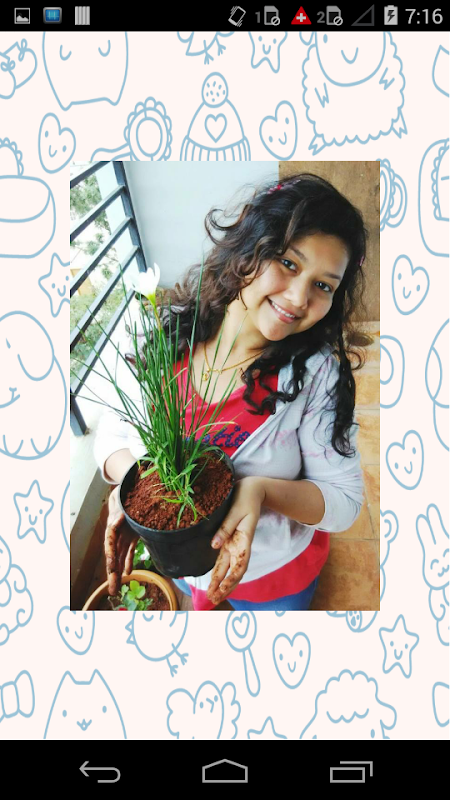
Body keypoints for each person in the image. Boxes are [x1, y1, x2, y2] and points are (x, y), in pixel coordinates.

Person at [94, 172, 367, 611]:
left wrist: (261, 491)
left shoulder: (316, 378)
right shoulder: (158, 338)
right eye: (288, 263)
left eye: (323, 286)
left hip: (273, 579)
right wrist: (137, 489)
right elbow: (110, 436)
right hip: (184, 569)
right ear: (248, 247)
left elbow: (344, 501)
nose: (299, 298)